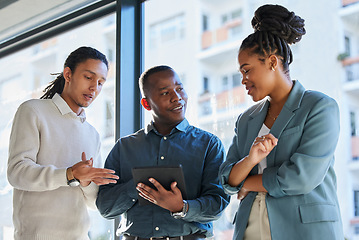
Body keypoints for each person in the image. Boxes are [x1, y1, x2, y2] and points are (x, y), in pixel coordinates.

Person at [218, 4, 344, 240]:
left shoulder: (319, 107)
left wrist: (247, 183)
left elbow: (301, 177)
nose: (243, 80)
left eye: (247, 70)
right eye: (241, 73)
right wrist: (251, 160)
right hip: (250, 230)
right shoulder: (246, 120)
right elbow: (226, 179)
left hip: (304, 231)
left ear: (273, 62)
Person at [96, 65, 230, 240]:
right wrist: (137, 188)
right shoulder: (124, 147)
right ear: (146, 104)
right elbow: (106, 209)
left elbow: (218, 204)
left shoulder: (209, 145)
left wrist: (181, 207)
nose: (177, 98)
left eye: (180, 89)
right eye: (165, 93)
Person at [7, 46, 119, 240]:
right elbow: (17, 173)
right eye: (88, 77)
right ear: (68, 74)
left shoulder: (92, 134)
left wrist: (84, 182)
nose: (94, 88)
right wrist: (70, 174)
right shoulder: (33, 111)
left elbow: (93, 203)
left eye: (101, 82)